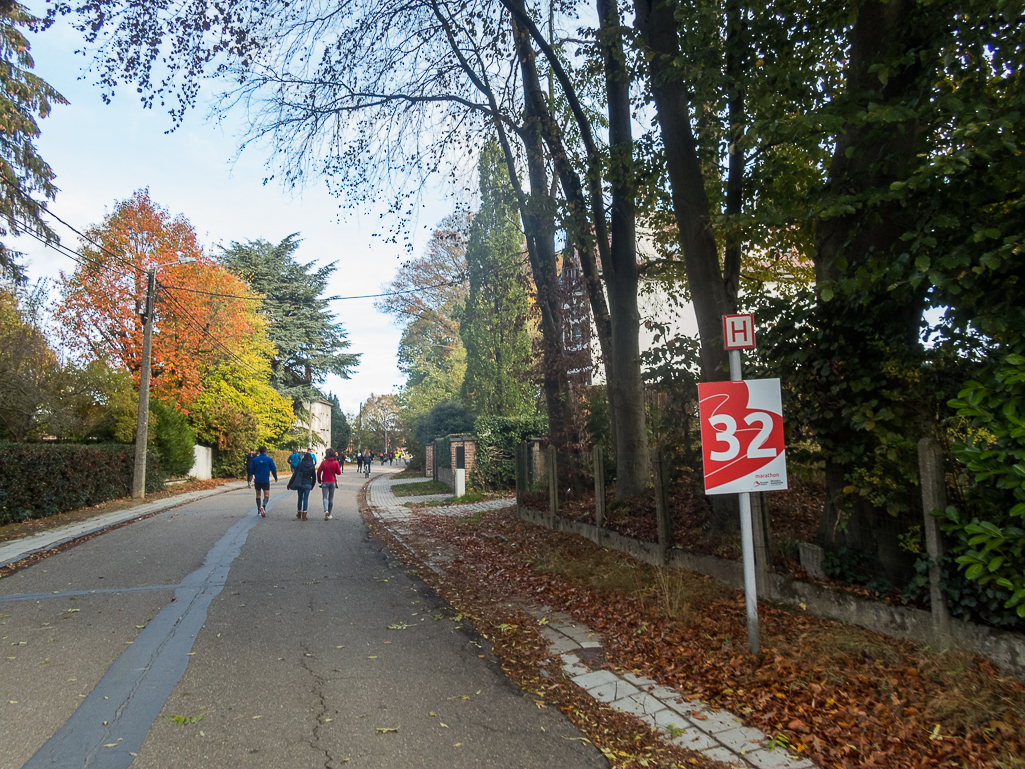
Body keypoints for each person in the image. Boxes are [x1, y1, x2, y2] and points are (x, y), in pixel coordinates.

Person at [247, 446, 278, 518]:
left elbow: (251, 470)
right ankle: (264, 506)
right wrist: (275, 477)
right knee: (266, 494)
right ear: (265, 451)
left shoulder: (255, 459)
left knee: (258, 495)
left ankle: (258, 510)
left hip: (257, 479)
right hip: (265, 479)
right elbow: (273, 469)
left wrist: (253, 475)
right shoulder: (269, 459)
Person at [291, 448, 317, 521]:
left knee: (300, 498)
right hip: (308, 484)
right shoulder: (312, 466)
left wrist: (290, 483)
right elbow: (314, 477)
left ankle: (299, 513)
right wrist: (312, 484)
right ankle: (304, 514)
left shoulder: (300, 465)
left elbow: (295, 475)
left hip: (300, 483)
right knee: (306, 498)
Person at [317, 448, 342, 520]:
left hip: (325, 481)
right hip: (332, 482)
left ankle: (326, 510)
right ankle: (330, 514)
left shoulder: (324, 462)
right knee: (331, 499)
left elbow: (319, 472)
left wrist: (319, 480)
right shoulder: (336, 462)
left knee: (324, 497)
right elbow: (339, 473)